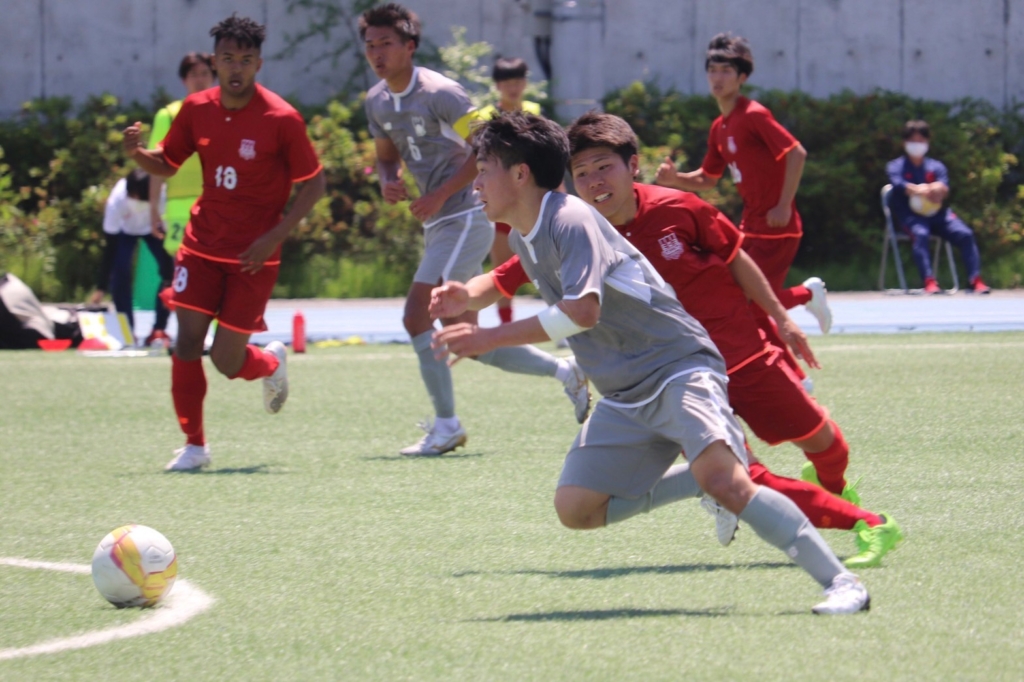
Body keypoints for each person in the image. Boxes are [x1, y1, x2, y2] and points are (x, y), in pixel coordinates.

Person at [430, 111, 870, 614]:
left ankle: (842, 583)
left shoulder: (570, 219)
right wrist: (466, 295)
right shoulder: (528, 231)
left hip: (678, 369)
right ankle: (697, 479)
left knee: (729, 483)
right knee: (577, 508)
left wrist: (488, 337)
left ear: (520, 174)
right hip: (625, 393)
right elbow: (503, 280)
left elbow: (582, 311)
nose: (475, 184)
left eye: (482, 170)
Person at [566, 111, 902, 568]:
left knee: (825, 444)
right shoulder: (580, 237)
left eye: (603, 166)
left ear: (633, 165)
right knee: (745, 478)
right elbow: (552, 293)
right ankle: (870, 523)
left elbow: (736, 256)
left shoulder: (679, 208)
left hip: (744, 358)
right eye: (581, 173)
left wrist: (781, 319)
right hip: (679, 379)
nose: (594, 181)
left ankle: (833, 494)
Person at [360, 3, 589, 456]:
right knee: (466, 339)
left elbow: (486, 147)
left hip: (466, 214)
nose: (377, 53)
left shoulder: (442, 92)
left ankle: (447, 426)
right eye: (370, 45)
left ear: (409, 46)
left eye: (386, 43)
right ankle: (566, 371)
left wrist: (441, 193)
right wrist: (389, 181)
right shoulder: (377, 101)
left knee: (416, 315)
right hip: (439, 221)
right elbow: (386, 156)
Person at [122, 14, 326, 471]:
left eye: (246, 60)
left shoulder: (281, 118)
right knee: (186, 342)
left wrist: (274, 236)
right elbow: (167, 163)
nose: (236, 68)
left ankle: (269, 363)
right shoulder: (196, 109)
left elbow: (314, 184)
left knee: (227, 361)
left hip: (253, 256)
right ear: (214, 61)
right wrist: (138, 154)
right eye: (228, 58)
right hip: (200, 245)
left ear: (259, 64)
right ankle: (194, 446)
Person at [655, 33, 829, 390]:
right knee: (742, 300)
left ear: (742, 77)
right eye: (712, 70)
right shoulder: (720, 126)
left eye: (726, 71)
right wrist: (676, 179)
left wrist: (783, 204)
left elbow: (796, 153)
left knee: (753, 302)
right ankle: (796, 373)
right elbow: (708, 178)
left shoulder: (753, 115)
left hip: (778, 227)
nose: (717, 78)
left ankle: (805, 312)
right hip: (751, 227)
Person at [886, 119, 991, 294]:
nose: (917, 144)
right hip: (911, 216)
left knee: (965, 234)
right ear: (904, 143)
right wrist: (919, 190)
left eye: (921, 140)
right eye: (912, 140)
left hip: (938, 214)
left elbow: (944, 187)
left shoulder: (936, 166)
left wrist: (937, 189)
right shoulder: (895, 166)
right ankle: (929, 281)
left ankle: (975, 280)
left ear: (927, 142)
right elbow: (899, 185)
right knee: (920, 234)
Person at [478, 57, 543, 325]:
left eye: (518, 81)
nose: (513, 88)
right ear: (497, 85)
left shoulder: (534, 111)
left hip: (531, 199)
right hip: (501, 201)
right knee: (503, 268)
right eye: (507, 82)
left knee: (549, 262)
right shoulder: (485, 117)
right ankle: (506, 325)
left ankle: (565, 319)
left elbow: (545, 156)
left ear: (525, 82)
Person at [89, 168, 175, 344]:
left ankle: (159, 329)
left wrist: (169, 276)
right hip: (124, 232)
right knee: (120, 272)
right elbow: (110, 249)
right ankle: (126, 329)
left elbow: (167, 245)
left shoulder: (162, 198)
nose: (135, 200)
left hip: (153, 229)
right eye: (132, 196)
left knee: (170, 275)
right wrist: (101, 287)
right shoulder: (117, 201)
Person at [149, 52, 215, 258]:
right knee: (182, 265)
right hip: (178, 204)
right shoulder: (168, 116)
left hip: (216, 204)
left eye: (205, 73)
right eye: (193, 74)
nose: (200, 80)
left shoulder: (226, 115)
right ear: (183, 79)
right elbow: (156, 166)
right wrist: (153, 208)